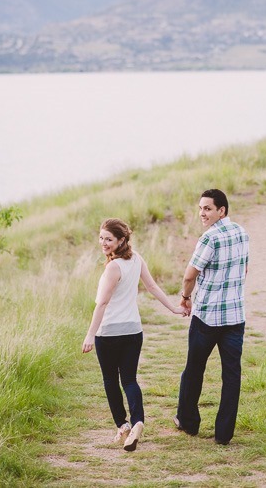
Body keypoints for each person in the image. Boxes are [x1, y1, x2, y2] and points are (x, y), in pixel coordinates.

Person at [82, 218, 186, 452]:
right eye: (101, 238)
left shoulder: (113, 268)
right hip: (133, 331)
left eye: (109, 239)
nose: (103, 243)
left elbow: (102, 303)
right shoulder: (136, 259)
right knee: (129, 379)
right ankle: (138, 421)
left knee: (111, 380)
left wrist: (90, 335)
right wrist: (173, 308)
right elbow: (152, 287)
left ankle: (123, 425)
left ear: (121, 240)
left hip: (108, 333)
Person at [175, 189, 249, 445]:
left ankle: (188, 422)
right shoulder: (242, 232)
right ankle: (224, 434)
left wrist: (185, 297)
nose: (202, 213)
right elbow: (244, 269)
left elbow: (189, 275)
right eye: (200, 208)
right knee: (231, 375)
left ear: (222, 211)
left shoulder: (209, 238)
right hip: (235, 317)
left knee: (194, 370)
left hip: (206, 317)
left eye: (208, 208)